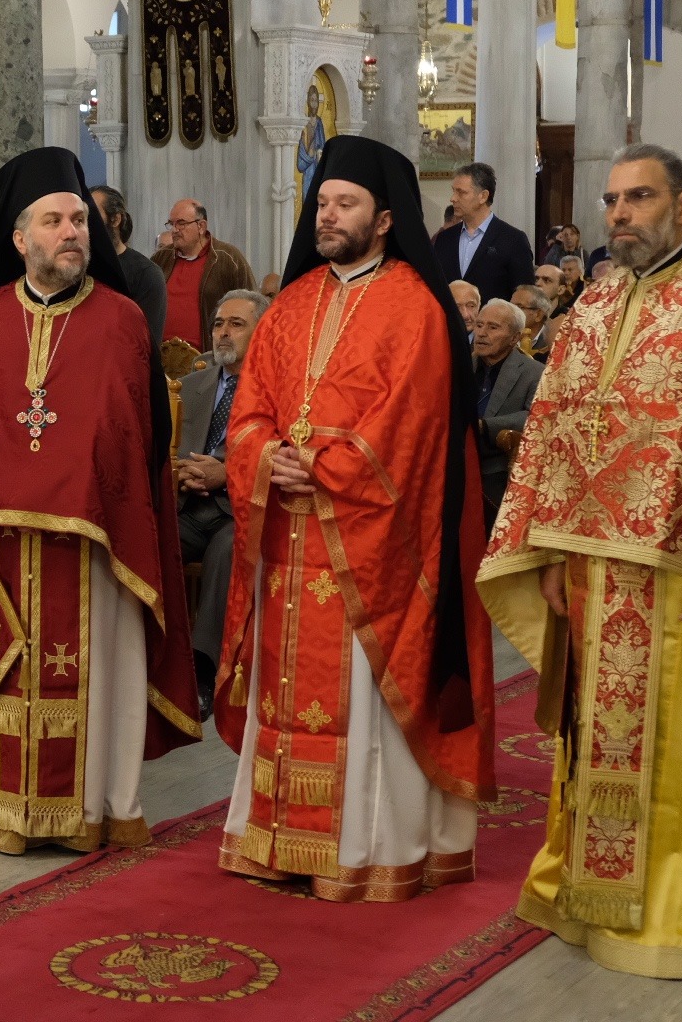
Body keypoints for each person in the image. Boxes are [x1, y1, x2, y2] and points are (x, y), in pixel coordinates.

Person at [479, 143, 682, 981]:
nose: (621, 214)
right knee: (591, 746)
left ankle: (680, 916)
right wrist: (547, 553)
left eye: (640, 198)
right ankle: (584, 897)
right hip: (590, 577)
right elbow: (552, 436)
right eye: (613, 200)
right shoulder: (592, 305)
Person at [215, 133, 496, 901]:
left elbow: (411, 426)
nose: (328, 216)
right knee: (286, 693)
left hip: (368, 545)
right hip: (287, 534)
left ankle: (364, 849)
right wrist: (265, 454)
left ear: (384, 219)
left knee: (361, 703)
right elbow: (250, 408)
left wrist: (323, 467)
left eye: (346, 204)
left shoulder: (415, 307)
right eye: (323, 203)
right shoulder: (289, 305)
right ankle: (278, 840)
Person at [0, 146, 202, 854]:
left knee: (95, 672)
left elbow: (135, 446)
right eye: (54, 221)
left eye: (79, 220)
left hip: (96, 550)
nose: (73, 232)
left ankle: (92, 810)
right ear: (19, 240)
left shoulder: (122, 322)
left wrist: (76, 488)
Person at [177, 289, 269, 718]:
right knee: (145, 538)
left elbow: (279, 453)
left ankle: (202, 671)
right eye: (218, 324)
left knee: (229, 550)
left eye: (236, 324)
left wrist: (226, 474)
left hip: (242, 510)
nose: (224, 333)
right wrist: (180, 471)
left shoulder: (276, 388)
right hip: (187, 504)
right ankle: (149, 655)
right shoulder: (189, 385)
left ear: (261, 331)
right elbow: (162, 446)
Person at [471, 298, 542, 526]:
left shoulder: (534, 372)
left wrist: (485, 426)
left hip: (497, 467)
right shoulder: (461, 365)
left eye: (493, 327)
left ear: (514, 338)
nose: (482, 333)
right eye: (479, 325)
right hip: (455, 459)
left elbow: (536, 416)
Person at [154, 198, 254, 350]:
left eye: (181, 223)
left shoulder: (228, 258)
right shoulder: (161, 258)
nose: (174, 230)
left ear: (201, 226)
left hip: (209, 356)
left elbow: (251, 306)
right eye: (171, 224)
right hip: (161, 355)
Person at [433, 162, 534, 304]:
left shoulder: (513, 240)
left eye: (461, 192)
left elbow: (524, 297)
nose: (453, 198)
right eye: (453, 191)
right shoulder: (445, 238)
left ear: (483, 196)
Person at [92, 184, 168, 343]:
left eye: (93, 215)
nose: (86, 224)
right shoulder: (77, 269)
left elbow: (144, 342)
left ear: (115, 219)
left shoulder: (147, 274)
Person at [511, 284, 555, 360]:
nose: (511, 312)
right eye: (510, 306)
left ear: (538, 315)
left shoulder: (550, 343)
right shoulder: (504, 337)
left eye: (519, 307)